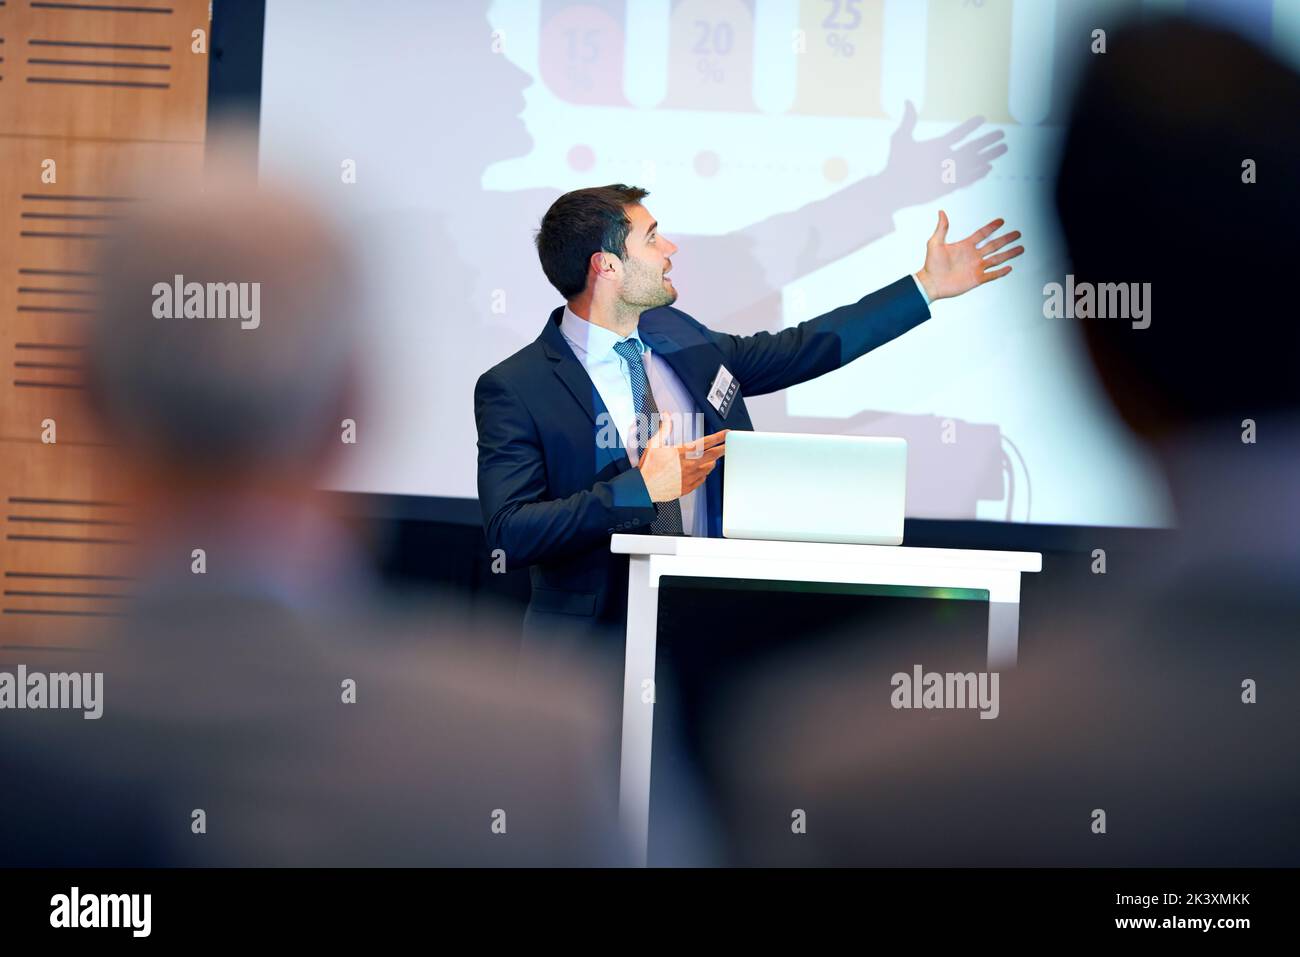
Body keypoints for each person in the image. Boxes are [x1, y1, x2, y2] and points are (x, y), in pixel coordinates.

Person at [475, 185, 1024, 657]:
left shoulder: (678, 335)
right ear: (607, 265)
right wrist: (637, 490)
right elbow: (511, 532)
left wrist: (924, 286)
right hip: (593, 651)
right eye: (652, 237)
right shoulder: (518, 386)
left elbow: (802, 347)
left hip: (716, 626)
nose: (670, 249)